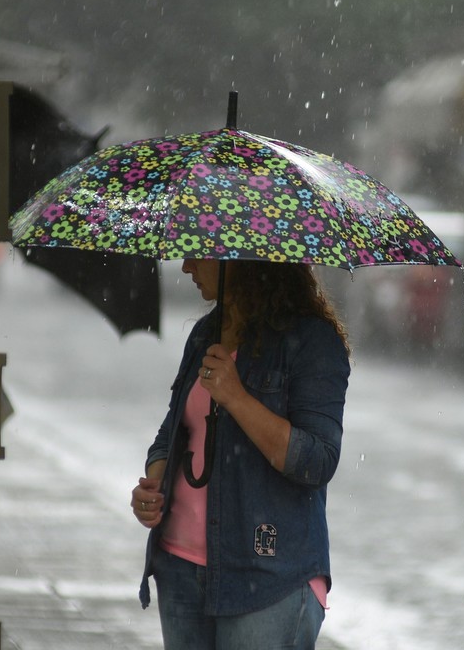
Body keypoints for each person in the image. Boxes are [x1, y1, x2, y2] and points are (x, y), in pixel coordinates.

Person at [132, 257, 351, 649]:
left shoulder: (312, 341)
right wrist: (155, 482)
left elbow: (317, 460)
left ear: (237, 260)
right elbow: (172, 433)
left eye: (198, 253)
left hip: (268, 577)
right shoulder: (206, 333)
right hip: (180, 566)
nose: (186, 266)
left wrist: (236, 397)